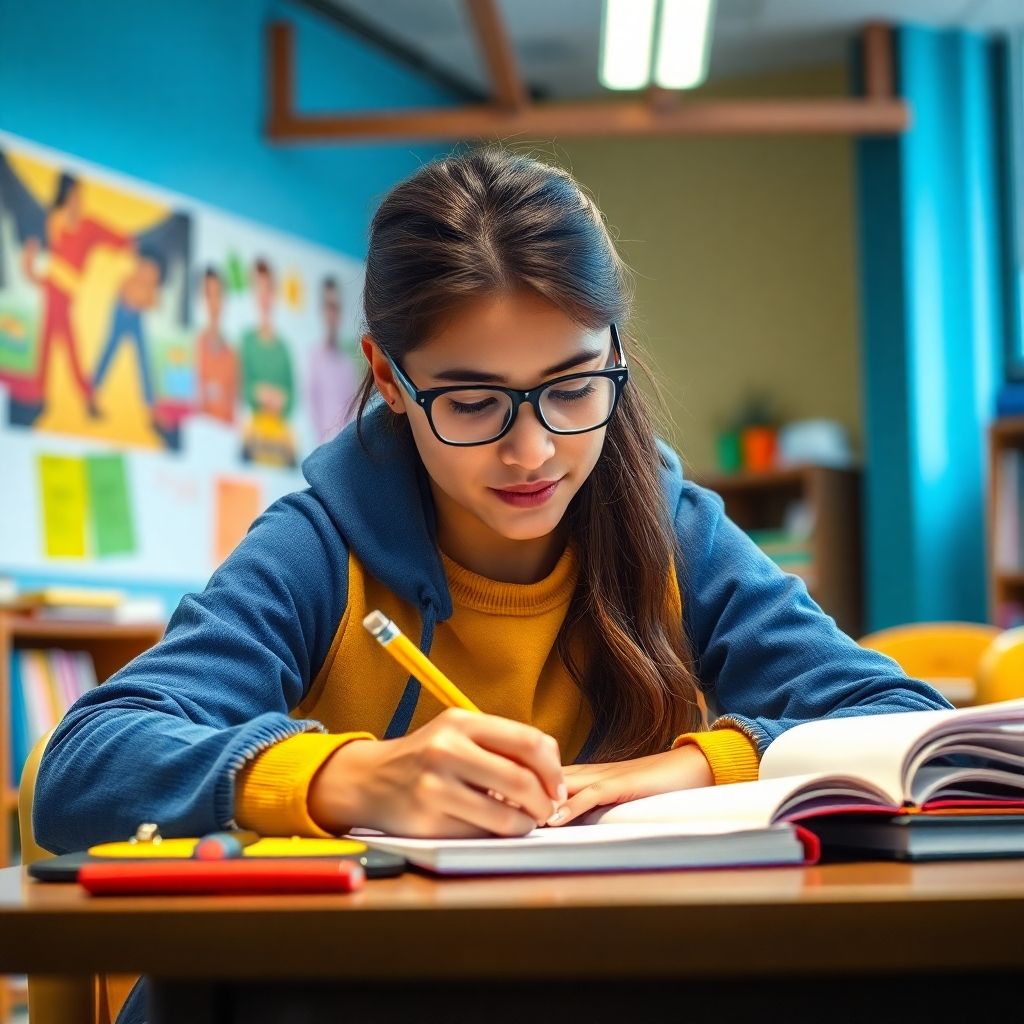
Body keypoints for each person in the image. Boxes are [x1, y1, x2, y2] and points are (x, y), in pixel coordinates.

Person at [34, 150, 948, 1023]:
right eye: (472, 402)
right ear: (389, 378)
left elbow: (904, 723)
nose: (533, 451)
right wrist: (349, 778)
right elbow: (85, 764)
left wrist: (696, 764)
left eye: (573, 387)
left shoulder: (674, 531)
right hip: (330, 992)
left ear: (613, 350)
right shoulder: (318, 548)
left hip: (585, 985)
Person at [21, 172, 131, 415]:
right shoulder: (54, 221)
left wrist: (130, 244)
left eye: (80, 196)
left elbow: (117, 238)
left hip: (66, 293)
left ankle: (52, 395)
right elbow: (42, 254)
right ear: (64, 196)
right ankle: (63, 396)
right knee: (53, 342)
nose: (77, 201)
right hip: (52, 288)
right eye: (73, 195)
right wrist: (32, 270)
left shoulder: (88, 226)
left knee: (62, 343)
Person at [92, 247, 164, 413]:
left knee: (142, 358)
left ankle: (151, 406)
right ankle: (93, 394)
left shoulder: (152, 280)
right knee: (110, 351)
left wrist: (144, 300)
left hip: (135, 314)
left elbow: (152, 302)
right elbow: (124, 287)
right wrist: (134, 300)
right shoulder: (139, 272)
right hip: (123, 310)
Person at [240, 257, 296, 465]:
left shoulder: (283, 348)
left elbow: (292, 396)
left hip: (280, 439)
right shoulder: (246, 341)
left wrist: (281, 399)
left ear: (274, 293)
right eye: (259, 288)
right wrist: (258, 392)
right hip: (254, 435)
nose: (263, 296)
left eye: (267, 289)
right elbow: (241, 386)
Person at [307, 276, 357, 442]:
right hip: (318, 448)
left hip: (343, 447)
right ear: (321, 310)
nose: (332, 314)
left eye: (336, 307)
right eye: (328, 306)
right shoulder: (312, 359)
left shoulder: (347, 365)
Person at [194, 266, 238, 424]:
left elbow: (233, 411)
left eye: (218, 295)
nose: (213, 303)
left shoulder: (232, 354)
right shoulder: (193, 347)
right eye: (208, 295)